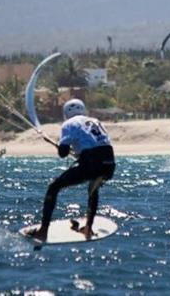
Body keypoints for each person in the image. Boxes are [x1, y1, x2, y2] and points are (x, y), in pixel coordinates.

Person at [28, 98, 116, 241]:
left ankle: (43, 231)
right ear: (83, 110)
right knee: (93, 189)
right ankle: (88, 227)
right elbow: (98, 143)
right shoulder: (95, 121)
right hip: (109, 162)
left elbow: (63, 153)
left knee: (53, 188)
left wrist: (61, 145)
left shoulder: (68, 124)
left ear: (65, 114)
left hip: (91, 162)